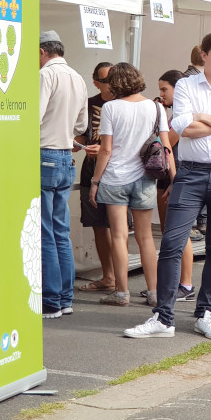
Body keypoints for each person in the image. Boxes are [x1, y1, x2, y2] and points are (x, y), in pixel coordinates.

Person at [124, 32, 211, 340]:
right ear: (204, 56)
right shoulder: (184, 85)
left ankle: (205, 313)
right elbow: (183, 127)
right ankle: (163, 317)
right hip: (191, 174)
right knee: (172, 242)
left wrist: (205, 117)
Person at [90, 63, 175, 308]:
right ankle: (154, 291)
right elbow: (166, 147)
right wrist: (173, 178)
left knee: (118, 236)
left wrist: (96, 182)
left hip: (115, 177)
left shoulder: (111, 108)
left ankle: (122, 292)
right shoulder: (156, 107)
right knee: (146, 237)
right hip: (145, 179)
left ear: (114, 83)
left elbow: (106, 149)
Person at [38, 31, 88, 319]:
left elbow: (34, 116)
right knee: (61, 232)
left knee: (46, 231)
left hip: (44, 154)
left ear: (43, 52)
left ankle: (52, 300)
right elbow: (81, 123)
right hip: (66, 157)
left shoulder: (47, 75)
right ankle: (65, 298)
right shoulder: (77, 77)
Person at [156, 70, 197, 302]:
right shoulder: (171, 115)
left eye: (165, 89)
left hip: (177, 174)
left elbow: (167, 144)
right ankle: (174, 285)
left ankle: (186, 284)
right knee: (168, 233)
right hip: (168, 175)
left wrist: (174, 179)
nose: (161, 94)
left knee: (179, 233)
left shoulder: (180, 117)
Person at [76, 62, 116, 294]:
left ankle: (120, 281)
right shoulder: (89, 104)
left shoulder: (126, 104)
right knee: (98, 226)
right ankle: (108, 276)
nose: (111, 83)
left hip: (119, 172)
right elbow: (82, 135)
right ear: (96, 82)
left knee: (120, 227)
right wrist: (74, 146)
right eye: (106, 80)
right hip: (91, 170)